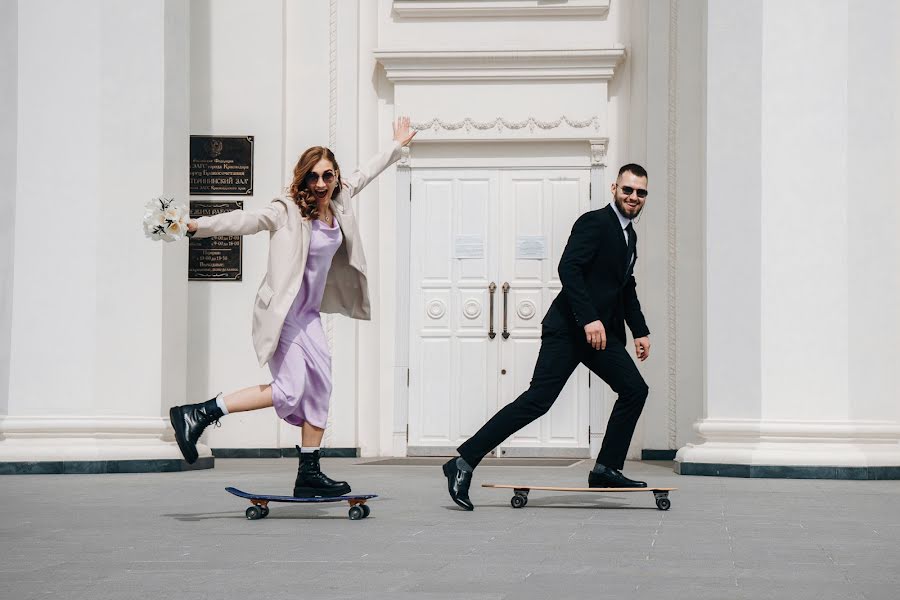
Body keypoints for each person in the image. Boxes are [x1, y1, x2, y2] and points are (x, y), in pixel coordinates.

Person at [169, 118, 416, 497]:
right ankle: (201, 412)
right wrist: (195, 226)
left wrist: (396, 146)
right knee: (289, 390)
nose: (320, 184)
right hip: (283, 315)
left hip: (309, 316)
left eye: (327, 176)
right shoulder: (286, 209)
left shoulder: (340, 199)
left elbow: (367, 171)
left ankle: (309, 472)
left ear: (335, 176)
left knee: (320, 387)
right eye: (313, 177)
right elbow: (246, 220)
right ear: (302, 179)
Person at [442, 164, 653, 510]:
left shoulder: (630, 235)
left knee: (634, 390)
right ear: (615, 188)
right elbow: (568, 268)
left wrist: (640, 330)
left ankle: (606, 468)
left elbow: (624, 285)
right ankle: (463, 462)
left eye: (640, 192)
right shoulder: (594, 222)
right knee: (538, 400)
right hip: (569, 329)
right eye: (627, 190)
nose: (633, 197)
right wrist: (589, 319)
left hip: (600, 334)